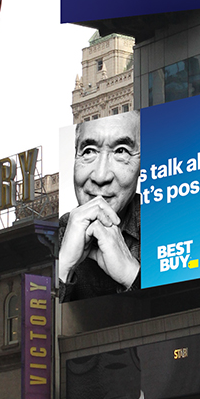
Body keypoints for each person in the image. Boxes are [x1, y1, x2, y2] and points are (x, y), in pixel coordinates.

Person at [59, 112, 141, 301]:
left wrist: (132, 275)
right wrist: (62, 268)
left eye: (121, 151)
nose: (101, 176)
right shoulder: (51, 236)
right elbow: (35, 327)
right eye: (88, 151)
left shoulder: (173, 227)